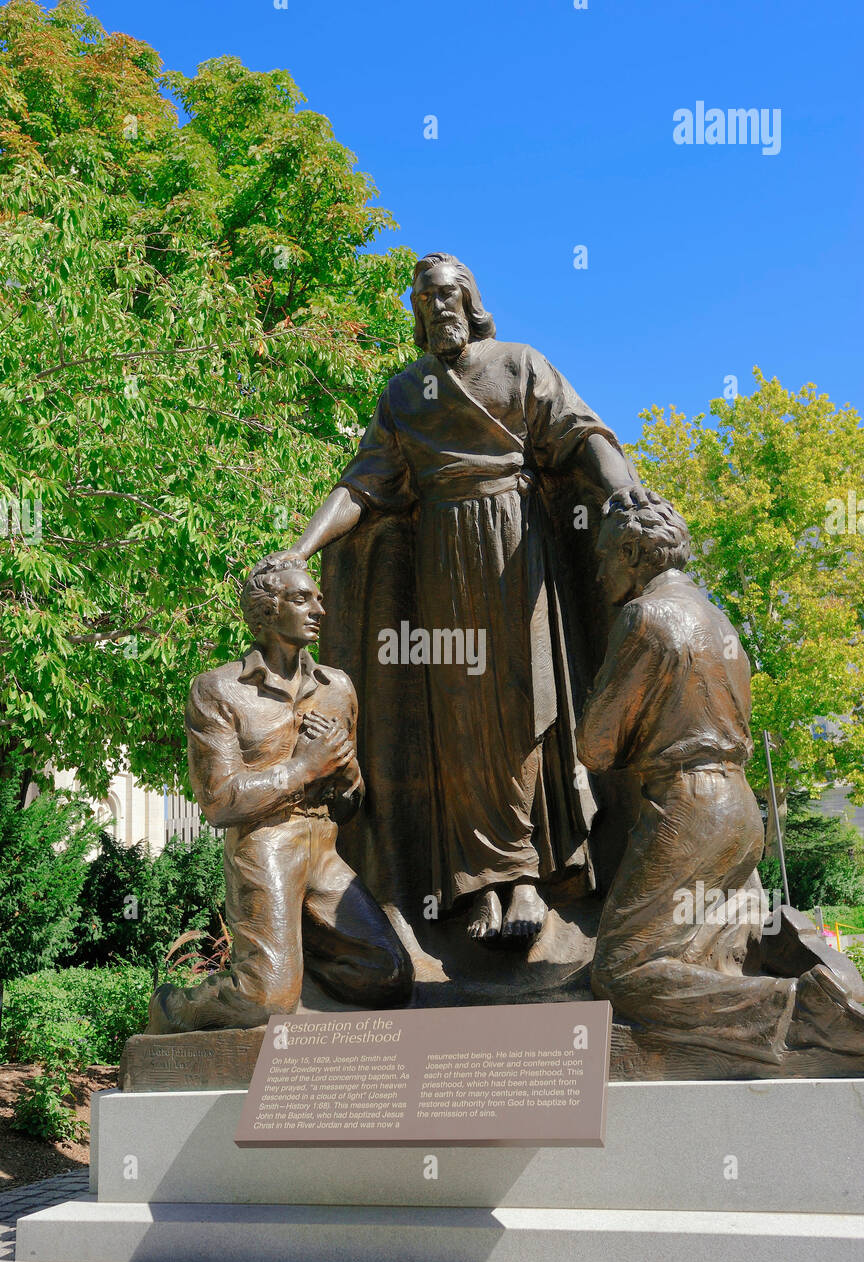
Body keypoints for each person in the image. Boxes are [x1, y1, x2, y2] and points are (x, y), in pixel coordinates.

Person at [284, 251, 644, 948]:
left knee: (521, 708)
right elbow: (361, 485)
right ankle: (480, 884)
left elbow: (580, 436)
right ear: (416, 314)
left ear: (471, 300)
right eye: (424, 300)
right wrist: (300, 550)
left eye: (448, 294)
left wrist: (622, 489)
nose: (438, 307)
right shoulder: (404, 393)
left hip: (516, 548)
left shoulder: (519, 365)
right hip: (442, 561)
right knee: (456, 716)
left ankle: (530, 881)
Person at [576, 492, 864, 1060]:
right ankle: (818, 976)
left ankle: (798, 1008)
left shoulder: (645, 615)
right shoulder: (717, 617)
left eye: (608, 553)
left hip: (689, 808)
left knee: (621, 971)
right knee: (711, 944)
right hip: (737, 807)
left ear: (634, 553)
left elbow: (596, 745)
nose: (600, 567)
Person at [147, 554, 413, 1034]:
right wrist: (305, 767)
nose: (319, 610)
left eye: (319, 599)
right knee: (265, 1001)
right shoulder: (219, 689)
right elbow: (219, 802)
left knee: (388, 976)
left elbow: (350, 808)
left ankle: (289, 975)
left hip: (323, 848)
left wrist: (346, 769)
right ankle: (174, 1006)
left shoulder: (338, 688)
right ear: (267, 612)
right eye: (301, 599)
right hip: (263, 845)